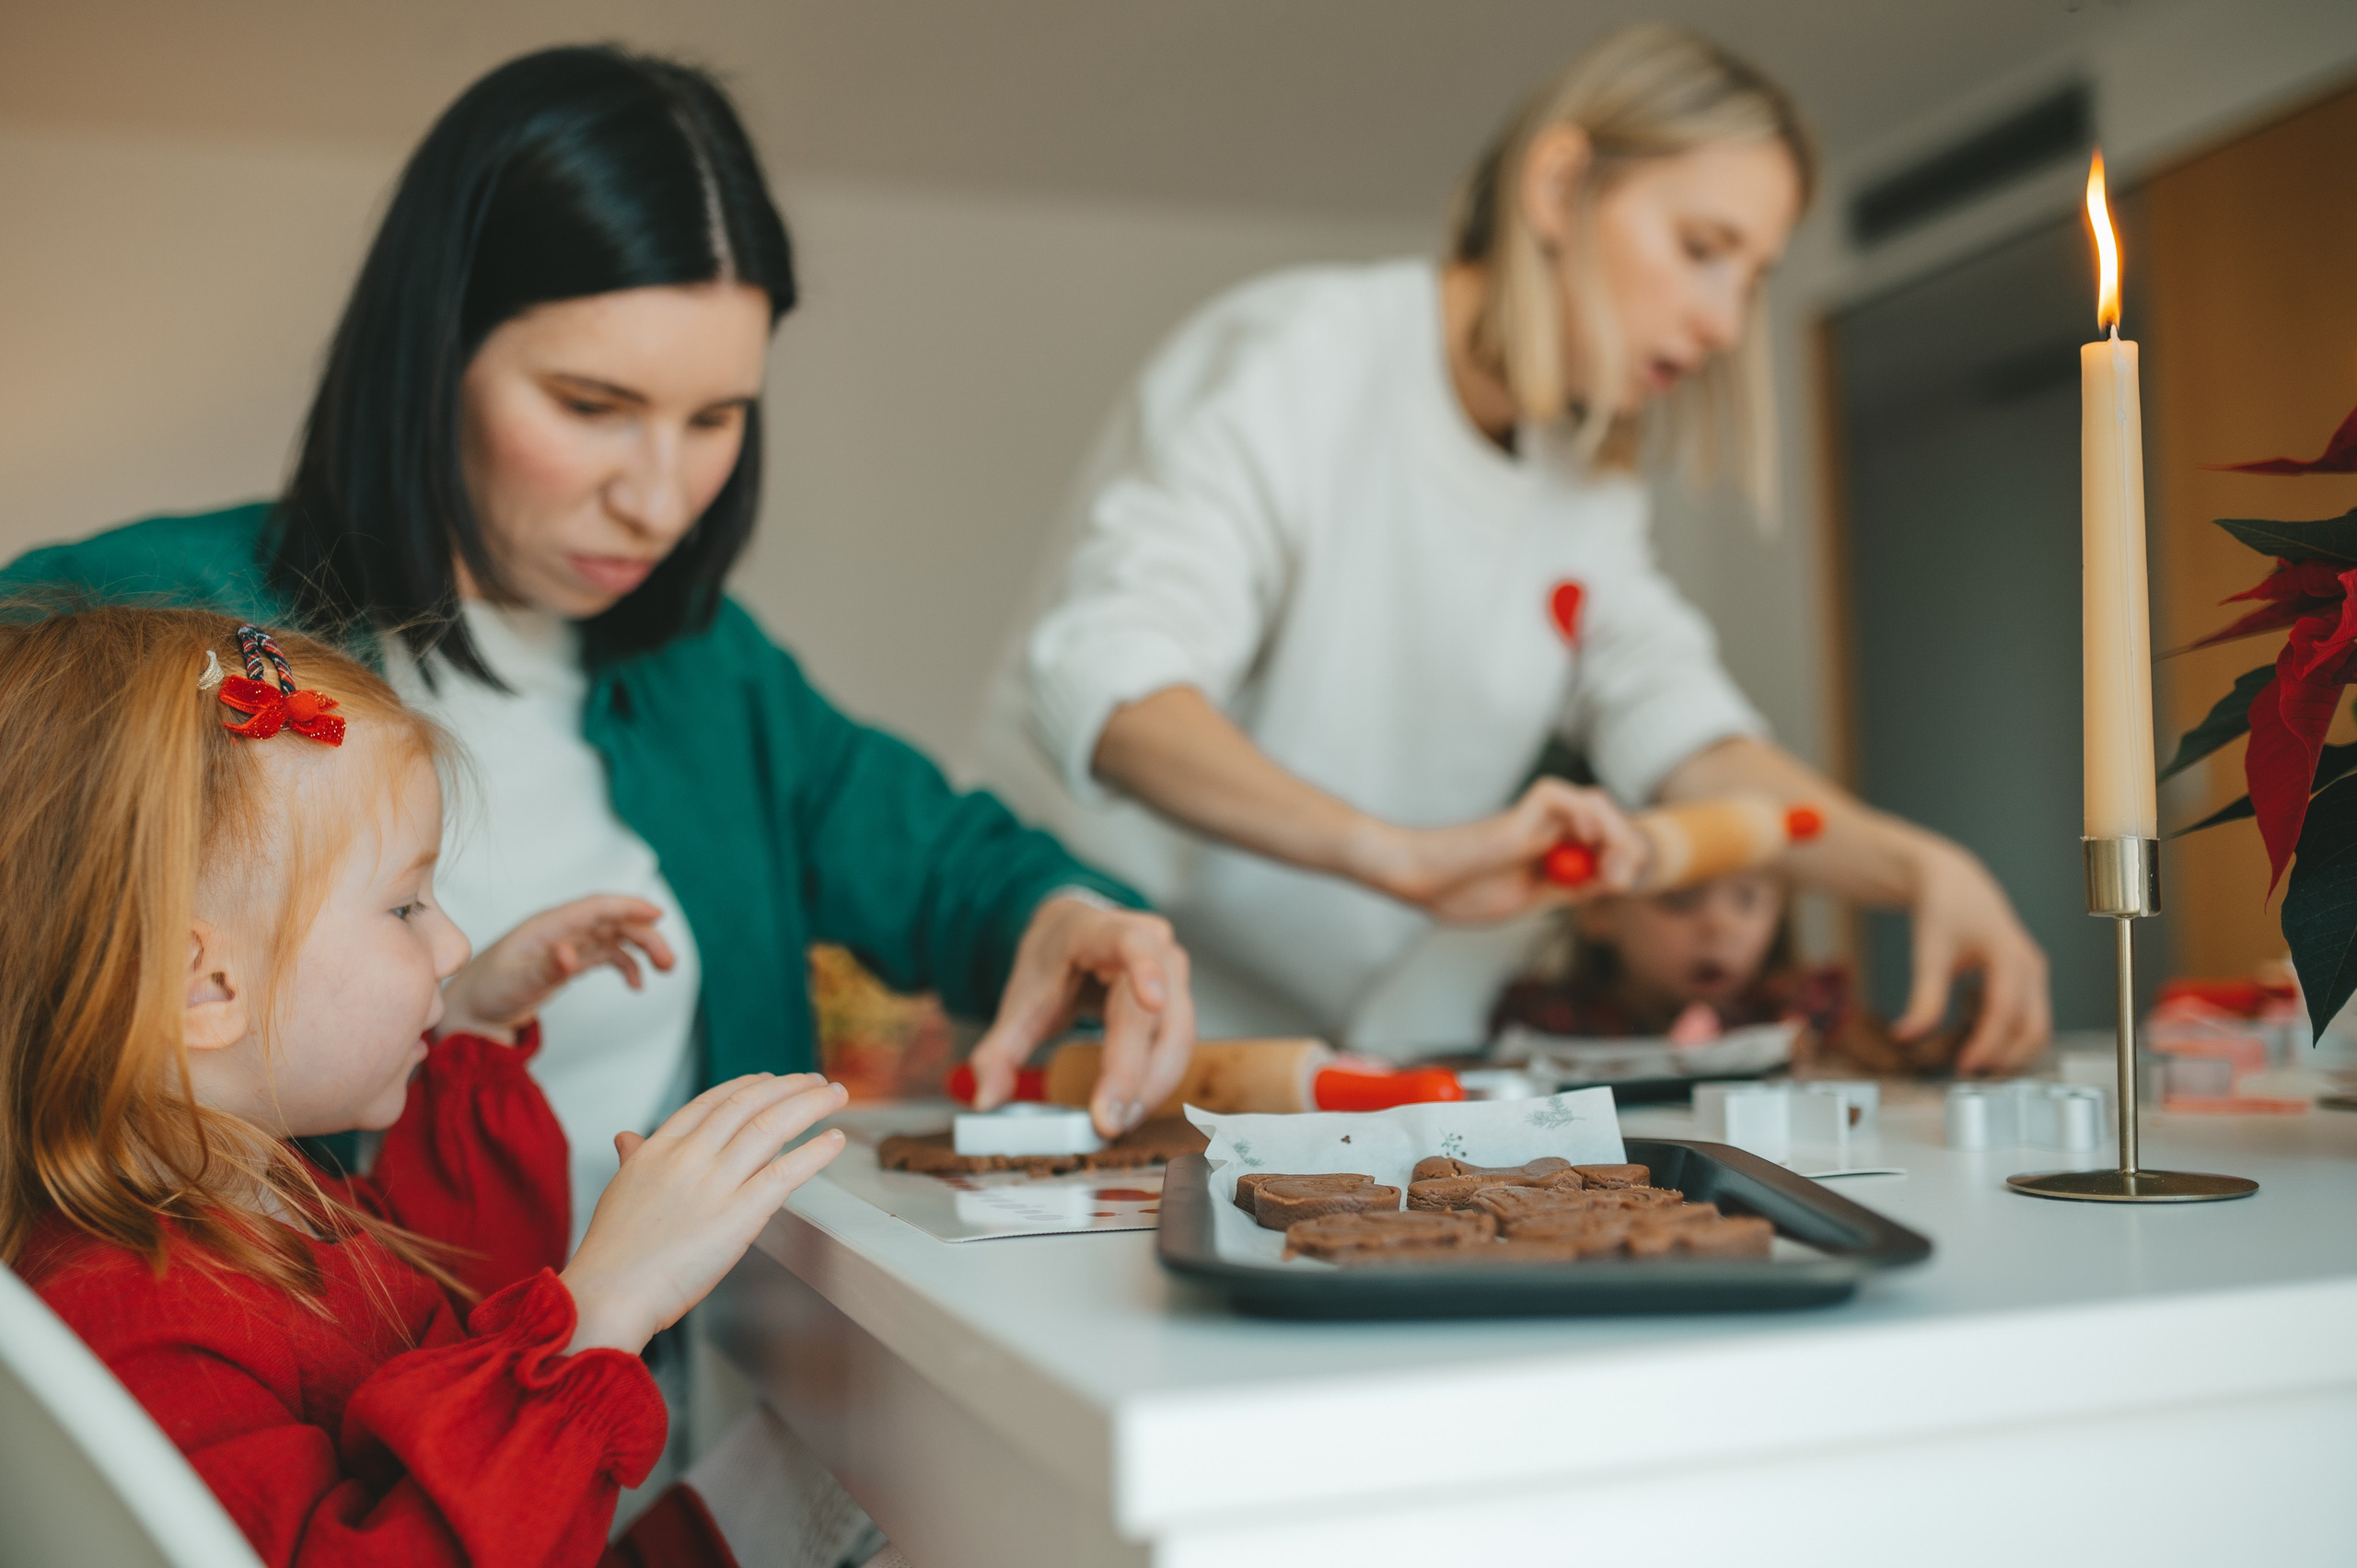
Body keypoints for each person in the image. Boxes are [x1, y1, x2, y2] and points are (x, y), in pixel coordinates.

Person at [0, 48, 1194, 1245]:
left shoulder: (709, 672)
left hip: (671, 1391)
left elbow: (952, 864)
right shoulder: (121, 623)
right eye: (590, 406)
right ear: (434, 358)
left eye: (715, 418)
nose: (661, 500)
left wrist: (1061, 921)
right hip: (278, 1401)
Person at [976, 23, 2048, 1071]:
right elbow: (1106, 686)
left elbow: (1689, 739)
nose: (1726, 324)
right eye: (1701, 249)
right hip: (1064, 995)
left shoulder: (1582, 488)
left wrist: (1916, 866)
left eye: (1752, 275)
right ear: (1556, 187)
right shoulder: (1302, 359)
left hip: (1275, 1049)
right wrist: (1399, 855)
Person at [0, 607, 911, 1568]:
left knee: (861, 1457)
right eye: (404, 905)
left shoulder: (264, 1208)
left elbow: (454, 1329)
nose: (452, 943)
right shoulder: (138, 1318)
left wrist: (463, 1028)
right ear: (205, 985)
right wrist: (605, 1306)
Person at [1490, 870, 1956, 1077]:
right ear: (1599, 910)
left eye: (1748, 900)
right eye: (1680, 900)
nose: (1720, 927)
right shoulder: (1546, 1017)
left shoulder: (1804, 1010)